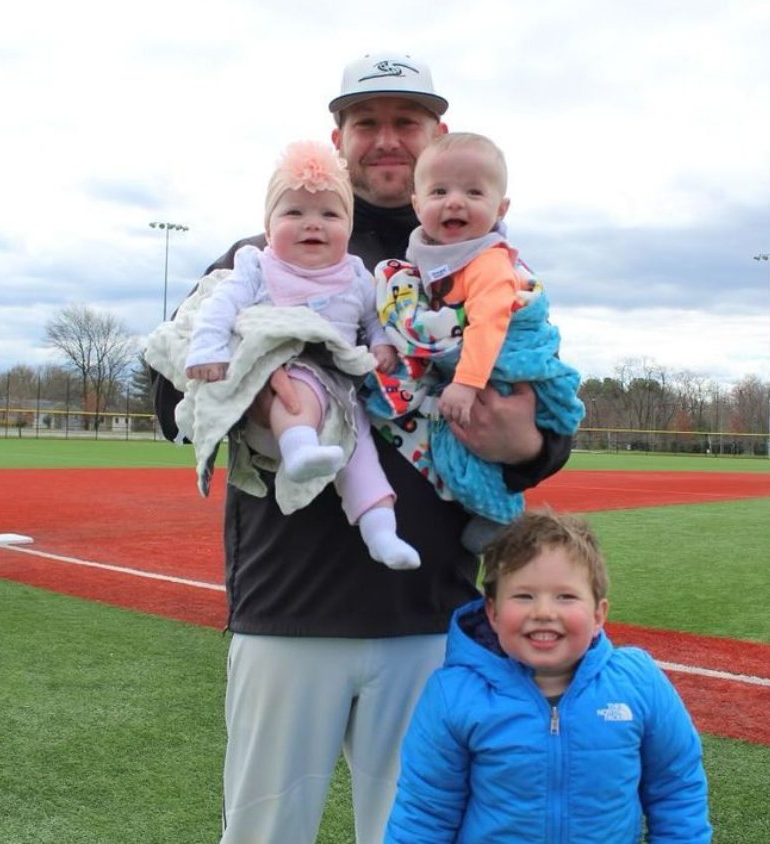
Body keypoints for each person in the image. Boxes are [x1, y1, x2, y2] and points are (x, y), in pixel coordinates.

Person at [149, 52, 573, 844]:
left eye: (406, 121)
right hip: (289, 608)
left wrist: (527, 444)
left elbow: (544, 418)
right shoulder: (269, 248)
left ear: (437, 133)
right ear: (337, 137)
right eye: (365, 121)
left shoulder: (478, 259)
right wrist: (268, 399)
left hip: (431, 615)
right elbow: (168, 400)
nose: (385, 139)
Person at [147, 139, 419, 570]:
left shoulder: (356, 275)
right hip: (285, 371)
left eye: (330, 215)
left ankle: (382, 532)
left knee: (362, 455)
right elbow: (217, 309)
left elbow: (373, 321)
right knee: (300, 388)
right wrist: (210, 351)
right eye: (294, 213)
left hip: (342, 390)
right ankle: (299, 448)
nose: (313, 224)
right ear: (268, 225)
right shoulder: (257, 266)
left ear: (348, 226)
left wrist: (382, 345)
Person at [384, 510, 713, 843]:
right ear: (493, 613)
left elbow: (676, 789)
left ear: (598, 615)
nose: (543, 612)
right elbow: (425, 815)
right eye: (524, 596)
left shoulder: (639, 683)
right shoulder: (453, 695)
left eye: (565, 596)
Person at [368, 132, 583, 550]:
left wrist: (466, 382)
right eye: (440, 191)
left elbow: (488, 324)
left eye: (473, 192)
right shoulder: (430, 256)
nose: (455, 202)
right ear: (417, 204)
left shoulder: (487, 261)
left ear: (501, 208)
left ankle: (498, 512)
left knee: (458, 450)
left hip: (497, 363)